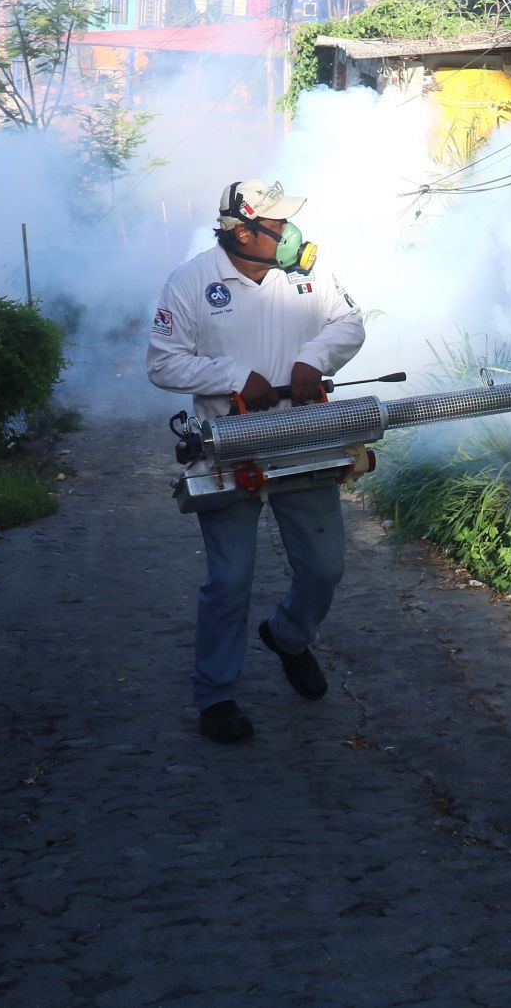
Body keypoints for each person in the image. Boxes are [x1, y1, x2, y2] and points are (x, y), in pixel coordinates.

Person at [146, 179, 367, 743]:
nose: (292, 233)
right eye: (279, 224)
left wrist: (312, 359)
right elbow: (163, 363)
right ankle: (216, 694)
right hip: (227, 442)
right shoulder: (192, 281)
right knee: (230, 578)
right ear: (243, 231)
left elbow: (350, 322)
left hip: (302, 436)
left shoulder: (309, 275)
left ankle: (289, 636)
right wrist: (234, 378)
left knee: (324, 568)